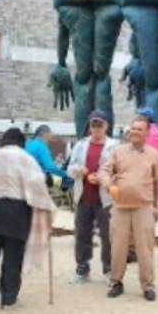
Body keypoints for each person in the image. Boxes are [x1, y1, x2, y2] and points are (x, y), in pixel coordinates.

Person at [0, 128, 56, 314]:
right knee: (13, 257)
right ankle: (9, 299)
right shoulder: (25, 159)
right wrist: (47, 206)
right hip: (16, 211)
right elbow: (37, 184)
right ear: (22, 143)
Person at [101, 117, 158, 301]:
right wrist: (108, 185)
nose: (135, 132)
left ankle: (148, 285)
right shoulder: (118, 151)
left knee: (145, 250)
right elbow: (104, 171)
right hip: (120, 207)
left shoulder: (153, 155)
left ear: (146, 133)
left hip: (143, 208)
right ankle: (116, 282)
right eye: (133, 128)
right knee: (118, 248)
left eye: (139, 129)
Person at [66, 110, 119, 283]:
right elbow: (69, 168)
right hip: (84, 195)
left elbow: (119, 170)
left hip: (105, 198)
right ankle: (82, 269)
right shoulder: (80, 144)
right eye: (93, 125)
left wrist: (105, 179)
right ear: (89, 127)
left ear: (106, 126)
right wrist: (78, 170)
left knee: (108, 235)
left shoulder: (115, 146)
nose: (96, 128)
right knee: (82, 234)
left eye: (99, 125)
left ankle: (109, 270)